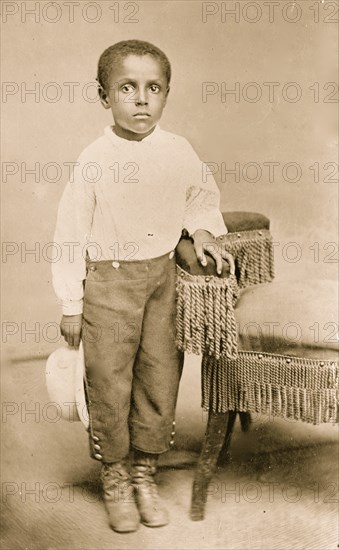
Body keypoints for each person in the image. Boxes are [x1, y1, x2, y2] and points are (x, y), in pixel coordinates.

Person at [52, 39, 234, 533]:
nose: (141, 99)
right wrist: (71, 302)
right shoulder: (94, 158)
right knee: (111, 382)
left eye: (153, 88)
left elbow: (200, 196)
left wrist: (201, 229)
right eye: (127, 88)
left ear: (167, 94)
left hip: (161, 280)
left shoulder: (178, 151)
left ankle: (143, 473)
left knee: (158, 377)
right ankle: (114, 478)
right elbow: (69, 233)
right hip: (108, 284)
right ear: (103, 95)